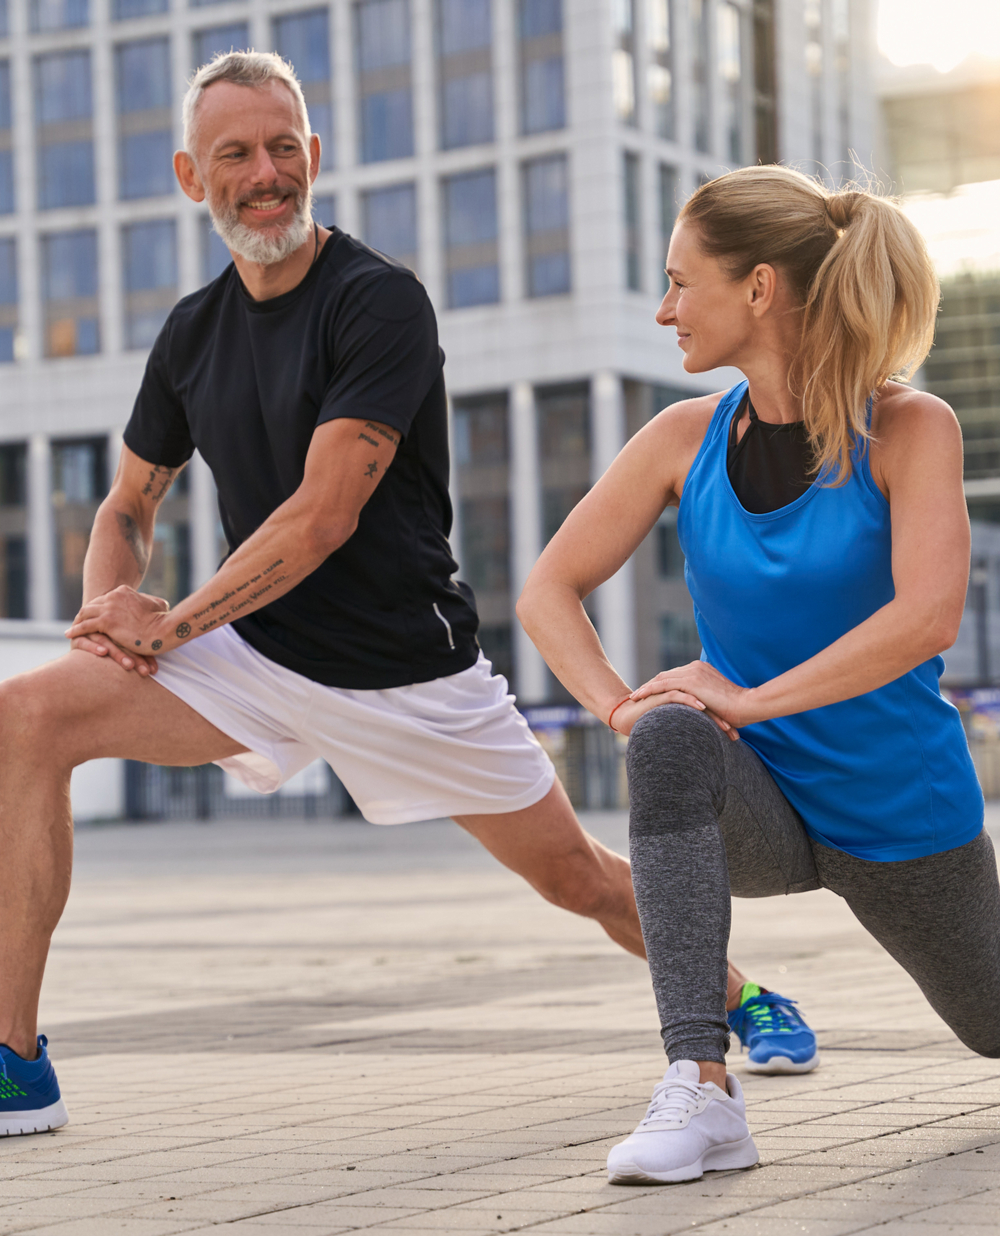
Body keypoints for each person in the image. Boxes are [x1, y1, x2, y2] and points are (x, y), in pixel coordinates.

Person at [0, 55, 802, 1138]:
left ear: (314, 158)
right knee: (28, 716)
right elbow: (127, 506)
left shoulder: (377, 301)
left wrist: (171, 621)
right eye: (235, 153)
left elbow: (322, 516)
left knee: (576, 878)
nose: (265, 172)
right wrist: (111, 618)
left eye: (284, 146)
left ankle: (738, 992)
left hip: (405, 669)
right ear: (193, 176)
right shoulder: (192, 331)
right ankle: (16, 1064)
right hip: (255, 660)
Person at [518, 165, 1000, 1187]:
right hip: (760, 803)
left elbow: (926, 619)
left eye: (679, 281)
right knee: (668, 735)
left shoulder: (909, 431)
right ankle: (702, 1086)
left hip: (898, 819)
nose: (663, 310)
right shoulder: (680, 440)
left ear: (759, 288)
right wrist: (618, 704)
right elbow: (547, 589)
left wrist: (745, 696)